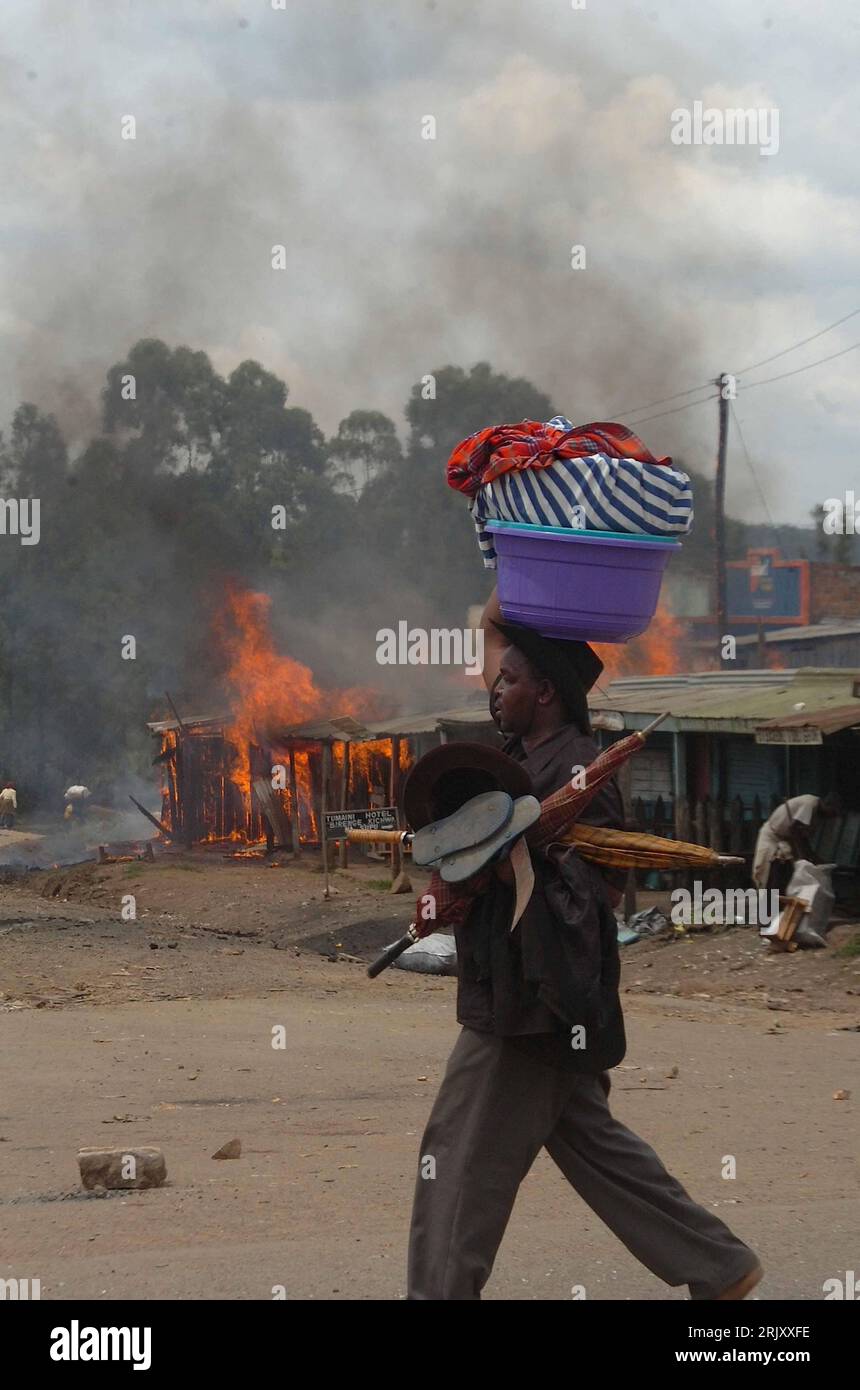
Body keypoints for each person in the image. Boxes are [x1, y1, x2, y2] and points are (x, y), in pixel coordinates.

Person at [406, 587, 762, 1301]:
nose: (493, 689)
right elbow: (496, 633)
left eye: (507, 681)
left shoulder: (579, 776)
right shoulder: (520, 757)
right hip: (543, 1010)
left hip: (530, 1005)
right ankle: (719, 1267)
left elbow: (587, 902)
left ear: (544, 693)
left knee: (455, 1163)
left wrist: (487, 881)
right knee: (599, 1151)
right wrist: (507, 570)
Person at [752, 792, 841, 892]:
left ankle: (781, 901)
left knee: (787, 871)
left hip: (785, 840)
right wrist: (802, 856)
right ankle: (768, 903)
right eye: (832, 813)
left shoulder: (818, 814)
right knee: (767, 872)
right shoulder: (810, 803)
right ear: (827, 805)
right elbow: (794, 830)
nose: (832, 817)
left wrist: (812, 856)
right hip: (771, 836)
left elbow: (803, 838)